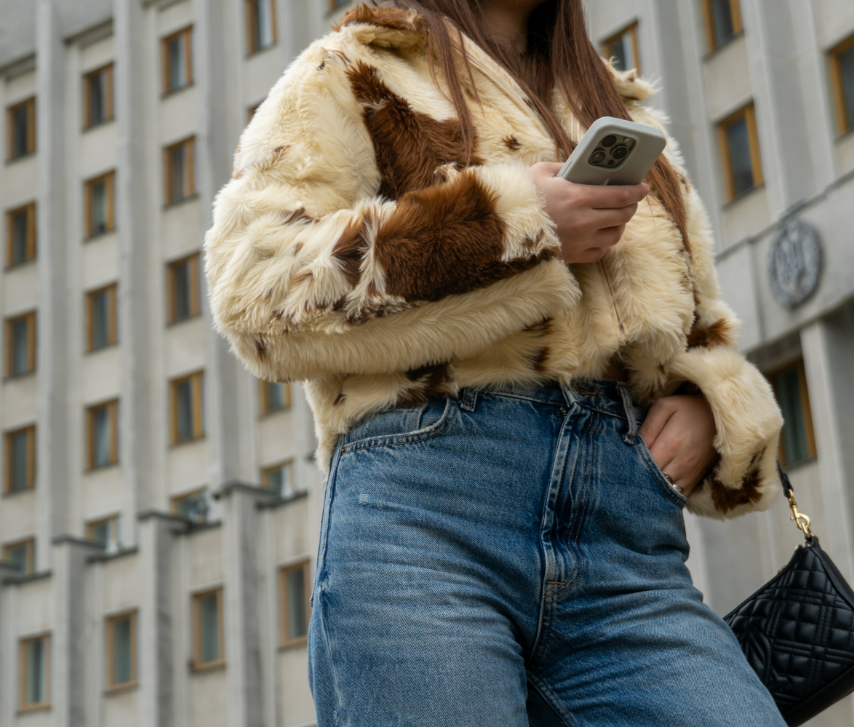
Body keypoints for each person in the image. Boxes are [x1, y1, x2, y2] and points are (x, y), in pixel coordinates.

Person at [204, 1, 786, 724]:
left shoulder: (619, 110)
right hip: (425, 517)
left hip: (626, 542)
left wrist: (708, 405)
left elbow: (697, 330)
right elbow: (256, 296)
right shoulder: (348, 71)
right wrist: (511, 224)